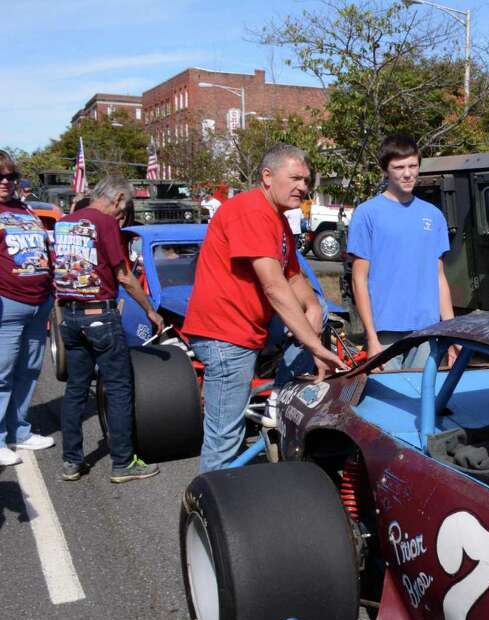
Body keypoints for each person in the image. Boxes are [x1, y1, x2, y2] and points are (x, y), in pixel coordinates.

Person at [182, 143, 342, 473]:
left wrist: (314, 306)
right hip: (224, 336)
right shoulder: (251, 211)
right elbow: (274, 287)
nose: (303, 187)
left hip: (250, 328)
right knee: (225, 435)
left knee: (321, 310)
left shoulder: (278, 218)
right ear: (267, 176)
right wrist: (315, 346)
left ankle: (280, 399)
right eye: (296, 178)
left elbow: (292, 274)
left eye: (307, 180)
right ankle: (211, 508)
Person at [54, 176, 164, 482]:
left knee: (76, 389)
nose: (122, 213)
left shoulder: (65, 222)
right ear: (116, 198)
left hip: (70, 317)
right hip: (99, 315)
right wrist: (150, 310)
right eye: (124, 206)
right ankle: (123, 462)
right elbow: (124, 276)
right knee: (118, 388)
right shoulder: (104, 224)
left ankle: (71, 460)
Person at [348, 133, 455, 367]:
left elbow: (438, 277)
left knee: (424, 400)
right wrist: (371, 337)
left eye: (412, 166)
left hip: (428, 331)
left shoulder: (433, 215)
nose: (407, 173)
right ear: (385, 170)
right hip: (384, 332)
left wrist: (451, 331)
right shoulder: (367, 214)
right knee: (387, 400)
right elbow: (359, 279)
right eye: (399, 167)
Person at [0, 151, 55, 467]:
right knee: (2, 374)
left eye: (11, 176)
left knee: (29, 370)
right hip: (7, 303)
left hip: (39, 303)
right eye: (0, 177)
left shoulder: (25, 210)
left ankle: (18, 429)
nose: (6, 182)